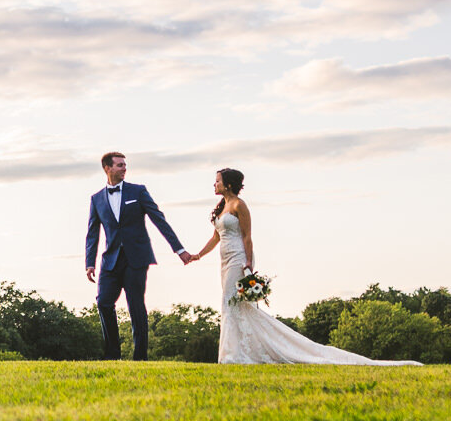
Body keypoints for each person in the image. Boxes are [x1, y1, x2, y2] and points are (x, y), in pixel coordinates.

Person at [193, 167, 419, 366]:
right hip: (223, 261)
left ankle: (235, 354)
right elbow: (215, 237)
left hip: (239, 258)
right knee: (230, 303)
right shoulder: (222, 206)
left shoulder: (239, 205)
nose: (214, 184)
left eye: (217, 180)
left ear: (228, 183)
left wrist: (249, 264)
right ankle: (236, 352)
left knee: (235, 302)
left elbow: (247, 236)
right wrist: (198, 255)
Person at [83, 151, 188, 360]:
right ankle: (113, 355)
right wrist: (90, 263)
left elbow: (159, 219)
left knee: (136, 306)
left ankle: (140, 357)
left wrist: (179, 249)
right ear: (107, 168)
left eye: (125, 165)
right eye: (120, 165)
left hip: (136, 258)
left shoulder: (138, 191)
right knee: (103, 302)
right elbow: (92, 233)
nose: (124, 168)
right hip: (110, 260)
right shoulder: (96, 199)